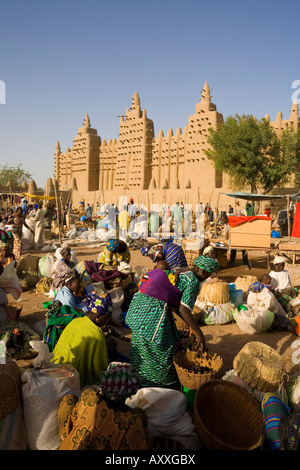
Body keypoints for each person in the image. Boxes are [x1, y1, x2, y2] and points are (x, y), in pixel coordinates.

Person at [125, 255, 219, 387]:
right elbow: (183, 308)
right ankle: (157, 383)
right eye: (209, 274)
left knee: (142, 345)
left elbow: (176, 306)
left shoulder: (181, 270)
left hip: (139, 307)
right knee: (160, 349)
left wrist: (190, 326)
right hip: (153, 313)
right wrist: (199, 333)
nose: (207, 278)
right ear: (202, 271)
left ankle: (139, 377)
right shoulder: (193, 281)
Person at [57, 363, 149, 450]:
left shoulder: (88, 397)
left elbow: (73, 416)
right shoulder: (131, 419)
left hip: (70, 446)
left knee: (69, 399)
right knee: (141, 414)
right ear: (130, 393)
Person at [51, 306, 109, 388]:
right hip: (73, 377)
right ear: (98, 317)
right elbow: (99, 368)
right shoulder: (97, 336)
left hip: (56, 366)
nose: (108, 322)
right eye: (107, 319)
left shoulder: (76, 321)